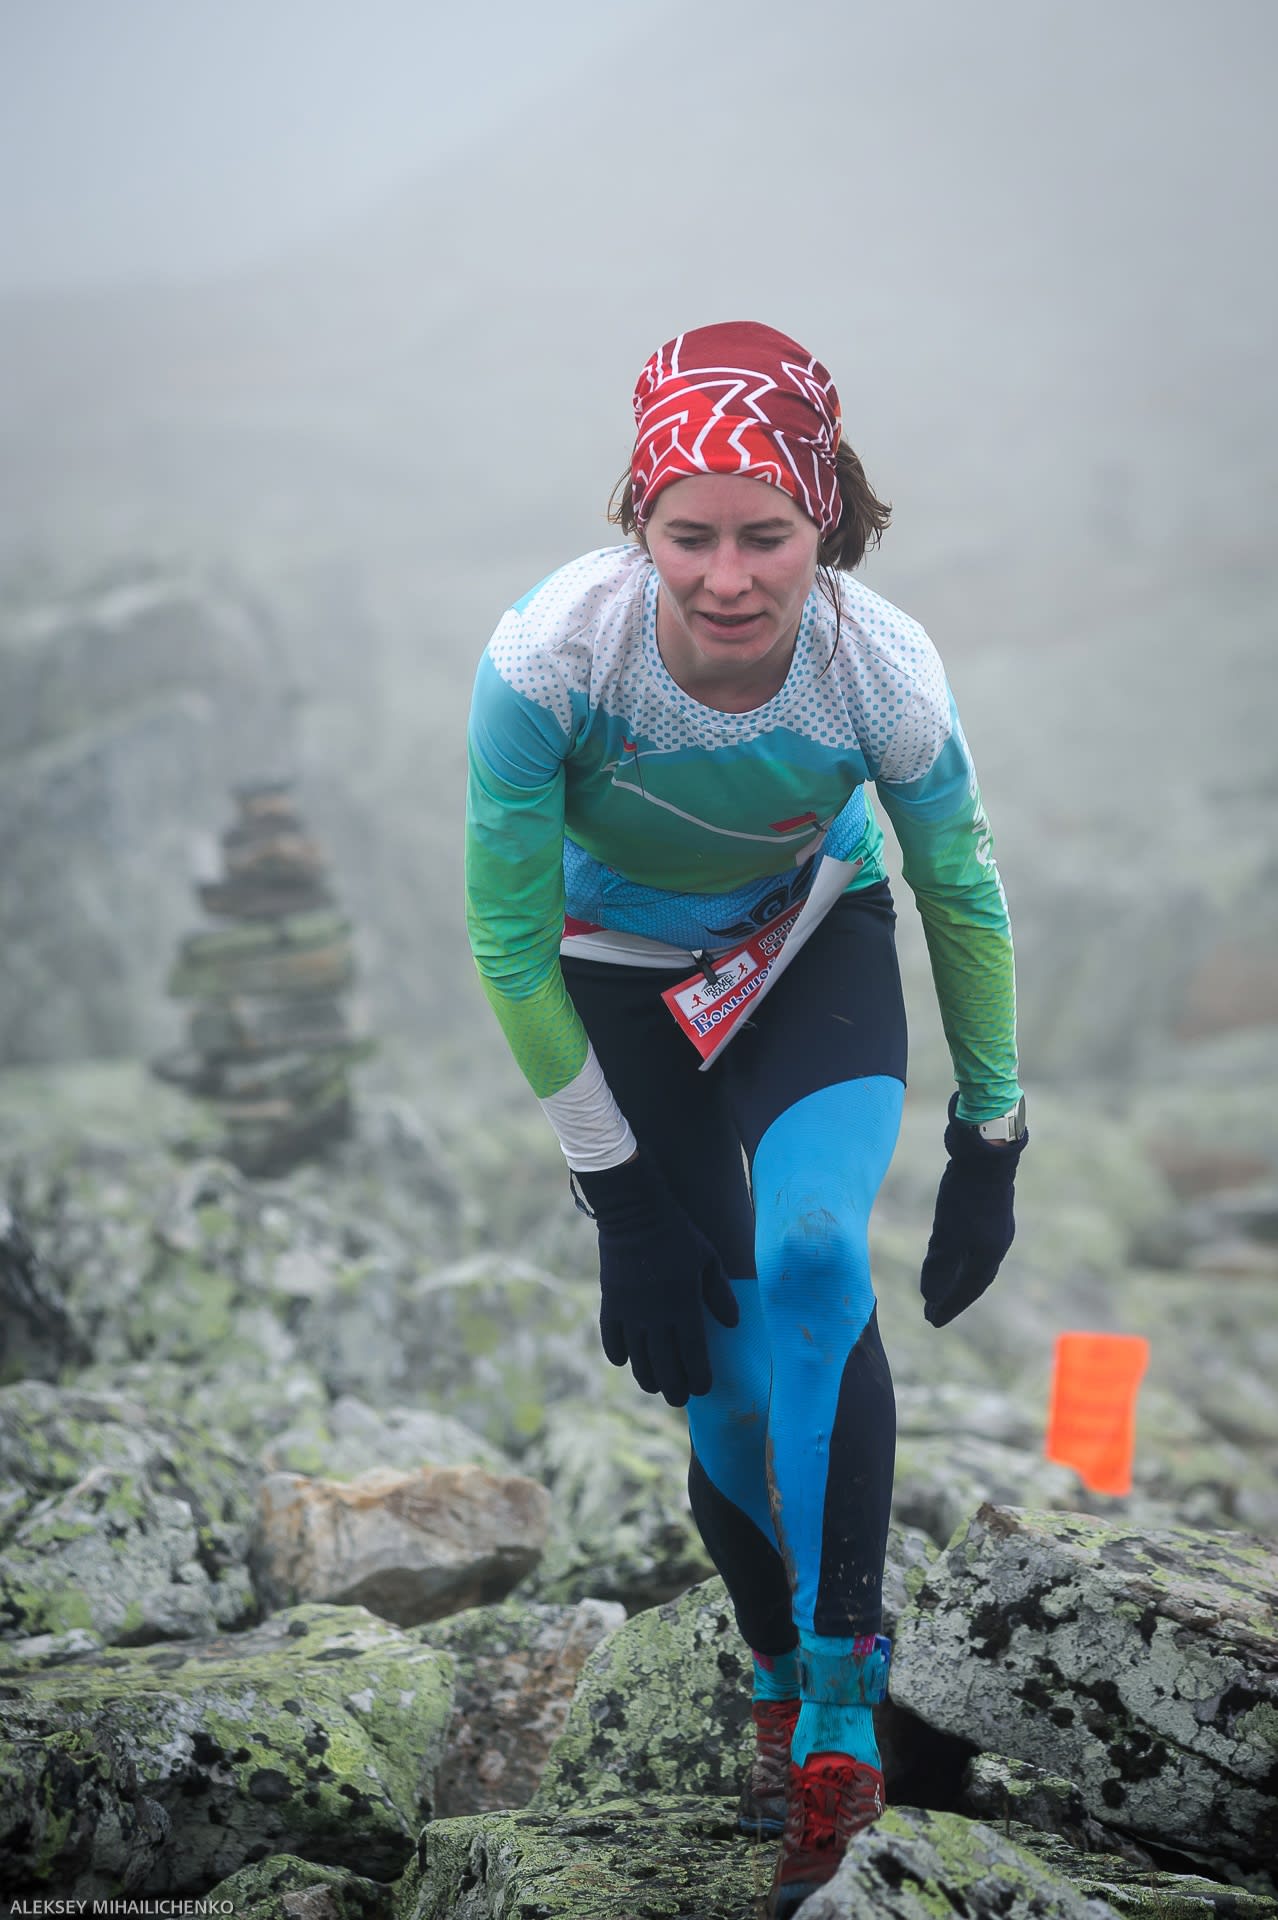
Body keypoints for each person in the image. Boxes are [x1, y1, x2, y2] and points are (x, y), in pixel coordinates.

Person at [464, 320, 1027, 1916]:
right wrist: (620, 1199)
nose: (726, 576)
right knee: (715, 1374)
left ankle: (841, 1726)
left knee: (815, 1258)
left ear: (821, 521)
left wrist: (988, 1139)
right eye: (686, 535)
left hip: (805, 946)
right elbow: (507, 944)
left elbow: (961, 891)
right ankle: (777, 1684)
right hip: (610, 977)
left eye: (764, 535)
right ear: (636, 524)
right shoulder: (550, 661)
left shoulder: (879, 671)